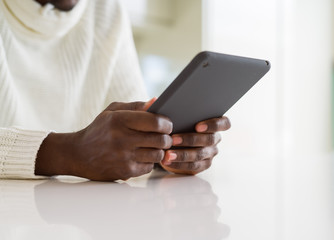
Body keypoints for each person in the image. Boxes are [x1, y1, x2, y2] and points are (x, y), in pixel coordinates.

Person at [0, 0, 231, 181]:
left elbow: (130, 127)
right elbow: (83, 153)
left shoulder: (105, 7)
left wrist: (163, 149)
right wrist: (68, 153)